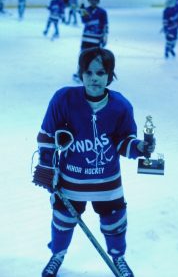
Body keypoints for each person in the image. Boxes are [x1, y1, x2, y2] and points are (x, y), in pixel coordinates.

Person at [32, 47, 156, 277]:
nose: (94, 78)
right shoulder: (63, 99)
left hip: (107, 183)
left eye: (100, 72)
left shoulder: (121, 105)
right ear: (80, 74)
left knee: (115, 223)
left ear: (110, 75)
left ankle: (118, 257)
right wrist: (48, 170)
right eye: (88, 72)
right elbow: (47, 135)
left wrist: (139, 147)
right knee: (62, 221)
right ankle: (57, 255)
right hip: (71, 180)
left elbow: (123, 141)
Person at [73, 0, 108, 82]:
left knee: (95, 58)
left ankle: (94, 73)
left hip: (96, 39)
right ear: (89, 0)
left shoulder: (102, 12)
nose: (93, 1)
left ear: (98, 0)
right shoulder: (85, 10)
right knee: (83, 55)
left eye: (95, 0)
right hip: (86, 38)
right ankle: (80, 73)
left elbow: (105, 25)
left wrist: (105, 37)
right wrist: (82, 12)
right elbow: (84, 21)